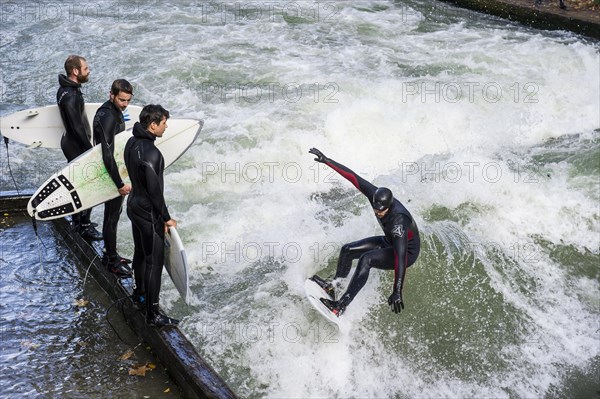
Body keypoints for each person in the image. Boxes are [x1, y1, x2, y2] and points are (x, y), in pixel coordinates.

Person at [308, 148, 420, 317]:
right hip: (389, 241)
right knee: (347, 250)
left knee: (366, 259)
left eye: (381, 211)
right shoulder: (375, 195)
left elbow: (400, 257)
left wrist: (397, 290)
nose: (377, 212)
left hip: (406, 253)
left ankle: (340, 305)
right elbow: (353, 177)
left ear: (389, 206)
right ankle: (333, 287)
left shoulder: (399, 222)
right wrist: (327, 160)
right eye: (375, 208)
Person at [124, 104, 178, 327]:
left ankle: (139, 294)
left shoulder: (131, 142)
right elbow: (156, 193)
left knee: (139, 253)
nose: (166, 127)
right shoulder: (153, 153)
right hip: (148, 213)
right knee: (154, 263)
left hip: (133, 206)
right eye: (164, 123)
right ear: (153, 125)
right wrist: (166, 218)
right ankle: (153, 314)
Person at [57, 55, 102, 240]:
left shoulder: (67, 90)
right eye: (85, 68)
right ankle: (83, 226)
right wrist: (90, 150)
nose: (88, 70)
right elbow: (76, 128)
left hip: (72, 143)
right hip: (76, 146)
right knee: (88, 185)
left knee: (79, 184)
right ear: (75, 71)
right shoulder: (70, 96)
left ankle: (79, 221)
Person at [93, 79, 134, 277]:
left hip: (114, 168)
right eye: (121, 100)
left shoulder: (114, 110)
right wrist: (118, 183)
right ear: (111, 95)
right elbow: (106, 153)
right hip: (109, 171)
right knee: (111, 216)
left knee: (114, 216)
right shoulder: (107, 116)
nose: (125, 104)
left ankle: (111, 253)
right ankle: (111, 261)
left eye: (128, 100)